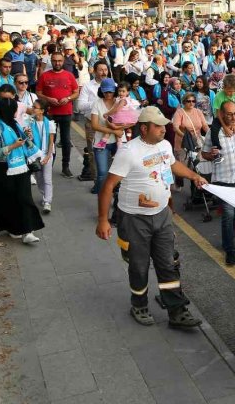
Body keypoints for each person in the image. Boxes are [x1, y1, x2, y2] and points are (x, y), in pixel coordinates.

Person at [95, 106, 206, 327]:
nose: (164, 130)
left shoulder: (164, 146)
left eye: (164, 125)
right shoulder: (129, 151)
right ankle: (139, 304)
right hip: (134, 219)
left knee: (167, 263)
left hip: (162, 215)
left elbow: (172, 165)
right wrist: (103, 219)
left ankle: (176, 310)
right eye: (158, 126)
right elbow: (108, 186)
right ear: (144, 128)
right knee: (138, 265)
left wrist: (193, 175)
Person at [201, 101, 235, 265]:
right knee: (228, 215)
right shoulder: (214, 132)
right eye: (229, 114)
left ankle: (227, 242)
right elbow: (204, 153)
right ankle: (229, 249)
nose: (233, 117)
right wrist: (212, 154)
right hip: (224, 179)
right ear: (222, 114)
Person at [0, 98, 44, 244]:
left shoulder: (16, 125)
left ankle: (27, 231)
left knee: (24, 198)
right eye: (13, 110)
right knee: (9, 200)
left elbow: (25, 143)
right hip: (5, 169)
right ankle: (13, 228)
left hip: (21, 167)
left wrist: (28, 137)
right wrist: (13, 146)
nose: (15, 112)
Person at [37, 52, 80, 177]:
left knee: (66, 140)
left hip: (66, 113)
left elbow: (76, 92)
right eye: (55, 61)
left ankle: (65, 166)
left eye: (60, 61)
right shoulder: (44, 76)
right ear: (51, 61)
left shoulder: (69, 75)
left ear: (63, 61)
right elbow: (38, 92)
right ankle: (49, 165)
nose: (57, 63)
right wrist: (48, 99)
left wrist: (68, 98)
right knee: (50, 141)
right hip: (50, 114)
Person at [27, 99, 56, 213]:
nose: (33, 109)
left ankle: (47, 201)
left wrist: (48, 156)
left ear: (42, 111)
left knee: (47, 178)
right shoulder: (30, 122)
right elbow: (28, 140)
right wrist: (28, 134)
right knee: (39, 179)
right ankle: (45, 196)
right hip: (35, 155)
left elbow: (51, 142)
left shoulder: (49, 123)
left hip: (46, 154)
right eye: (33, 106)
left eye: (35, 107)